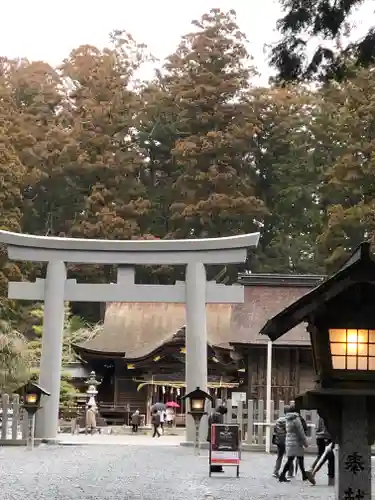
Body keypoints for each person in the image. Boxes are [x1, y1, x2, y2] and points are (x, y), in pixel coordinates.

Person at [278, 406, 314, 484]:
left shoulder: (287, 419)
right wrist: (305, 443)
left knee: (292, 459)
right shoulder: (296, 419)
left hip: (289, 441)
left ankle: (301, 475)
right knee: (299, 459)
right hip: (297, 442)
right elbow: (301, 432)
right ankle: (283, 475)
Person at [308, 415, 335, 486]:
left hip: (319, 437)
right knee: (329, 456)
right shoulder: (330, 413)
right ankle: (331, 479)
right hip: (327, 436)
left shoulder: (321, 414)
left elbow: (317, 427)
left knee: (322, 456)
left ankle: (311, 470)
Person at [272, 405, 294, 478]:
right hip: (287, 441)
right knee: (290, 457)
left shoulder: (278, 420)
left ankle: (275, 471)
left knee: (279, 456)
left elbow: (275, 431)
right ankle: (290, 472)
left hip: (279, 441)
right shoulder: (289, 421)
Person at [207, 405, 228, 473]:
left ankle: (212, 466)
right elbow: (220, 426)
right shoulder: (219, 415)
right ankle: (217, 467)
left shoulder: (212, 414)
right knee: (218, 452)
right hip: (217, 436)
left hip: (211, 436)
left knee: (212, 452)